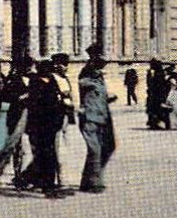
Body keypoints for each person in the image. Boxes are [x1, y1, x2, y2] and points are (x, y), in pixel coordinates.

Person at [17, 61, 66, 196]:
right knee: (44, 156)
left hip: (51, 124)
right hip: (39, 125)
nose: (49, 72)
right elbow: (34, 105)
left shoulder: (51, 81)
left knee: (47, 156)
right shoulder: (36, 83)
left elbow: (58, 99)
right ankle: (46, 186)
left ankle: (28, 179)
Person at [77, 45, 116, 193]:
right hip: (90, 118)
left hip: (103, 118)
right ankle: (93, 183)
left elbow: (101, 96)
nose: (102, 67)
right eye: (100, 63)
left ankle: (88, 180)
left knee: (108, 147)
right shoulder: (85, 76)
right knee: (95, 150)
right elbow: (82, 85)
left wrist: (108, 98)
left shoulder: (99, 78)